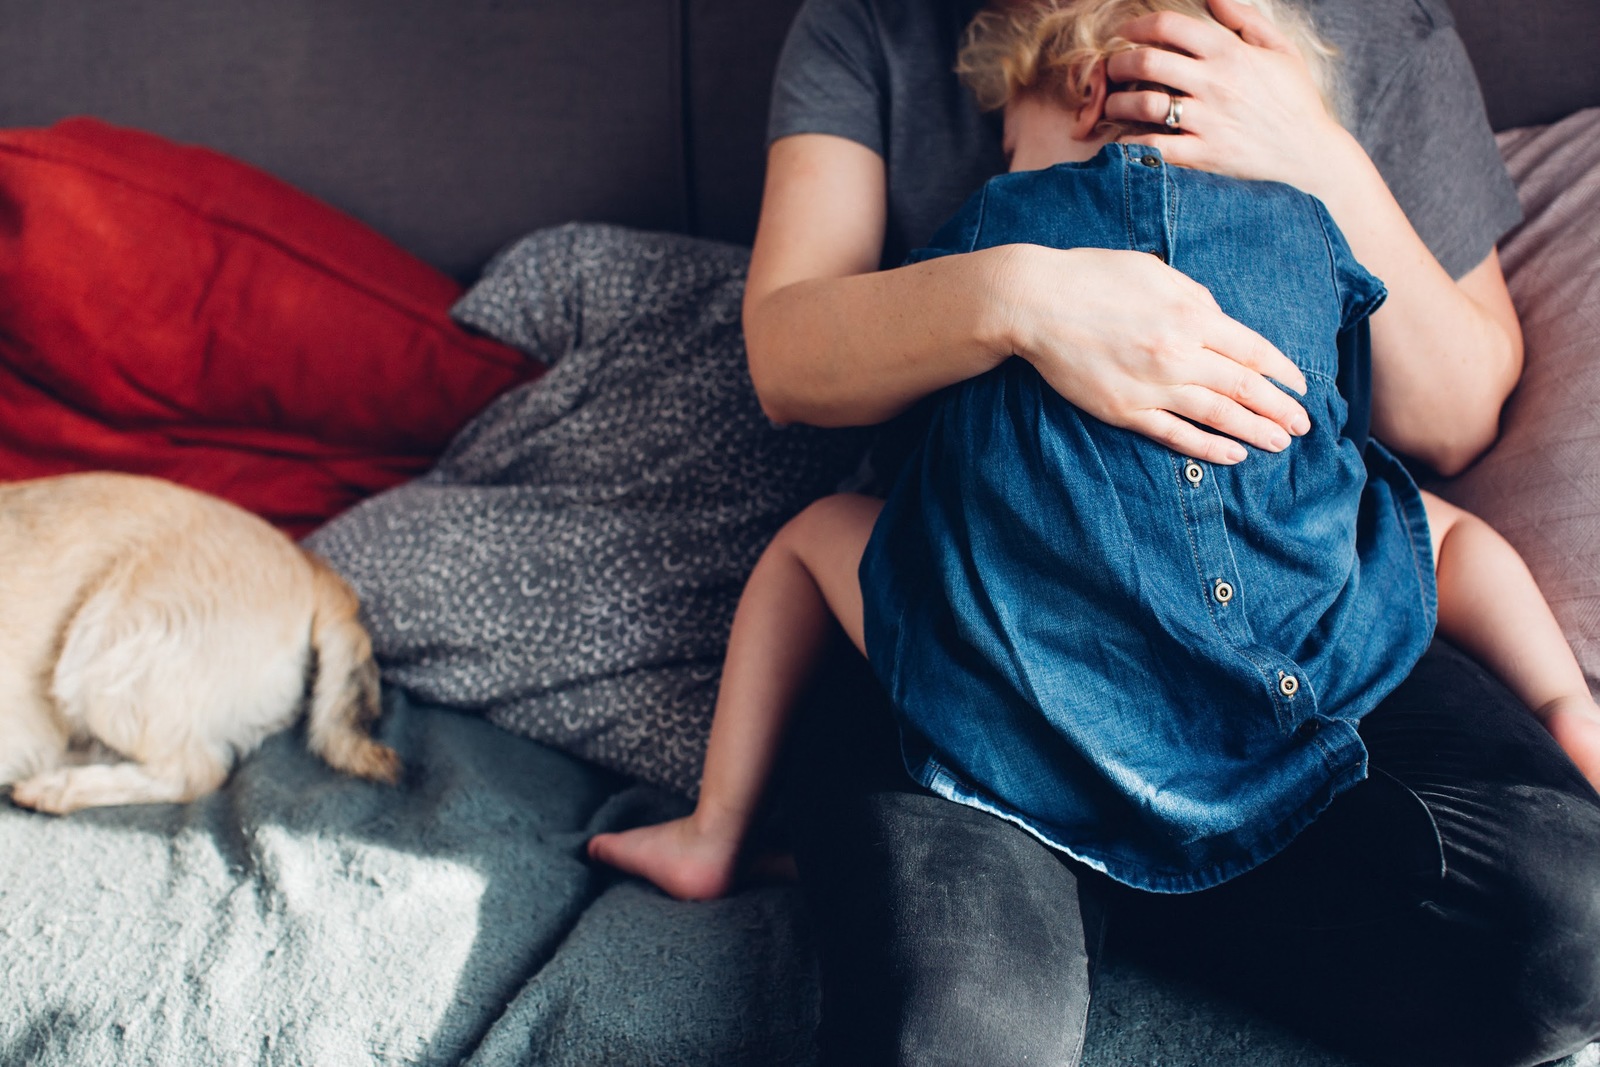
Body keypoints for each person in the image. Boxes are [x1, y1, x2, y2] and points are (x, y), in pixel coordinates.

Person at [673, 0, 1600, 1062]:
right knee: (946, 1035)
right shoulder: (871, 27)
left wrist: (1315, 153)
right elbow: (787, 361)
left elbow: (1448, 425)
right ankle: (1097, 873)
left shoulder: (1377, 33)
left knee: (1567, 929)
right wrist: (1020, 296)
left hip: (1284, 628)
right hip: (981, 635)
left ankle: (1120, 872)